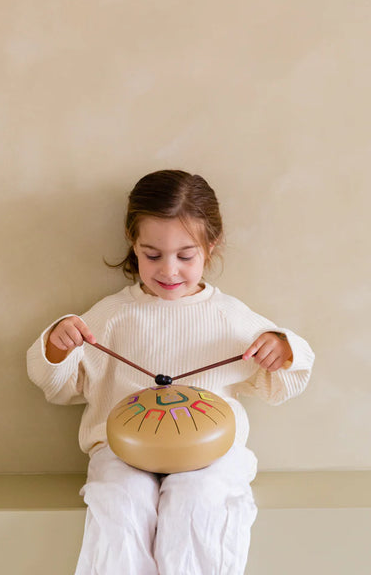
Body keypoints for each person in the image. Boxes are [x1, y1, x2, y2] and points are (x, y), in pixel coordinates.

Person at [27, 169, 314, 575]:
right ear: (133, 244)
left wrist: (282, 349)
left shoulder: (228, 316)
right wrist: (57, 344)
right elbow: (60, 386)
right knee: (119, 501)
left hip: (211, 455)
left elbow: (284, 383)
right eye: (152, 254)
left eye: (185, 255)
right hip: (124, 452)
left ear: (209, 246)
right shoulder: (112, 315)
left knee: (197, 501)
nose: (169, 270)